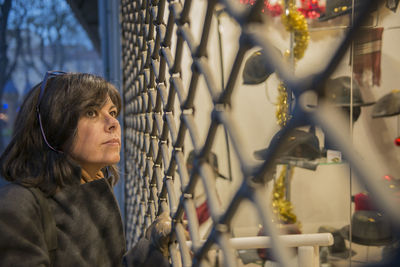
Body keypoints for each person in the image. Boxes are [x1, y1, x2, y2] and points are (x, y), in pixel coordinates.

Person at [0, 71, 170, 267]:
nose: (113, 123)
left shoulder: (90, 191)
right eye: (91, 112)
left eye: (112, 112)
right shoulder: (16, 205)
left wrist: (151, 251)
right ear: (52, 127)